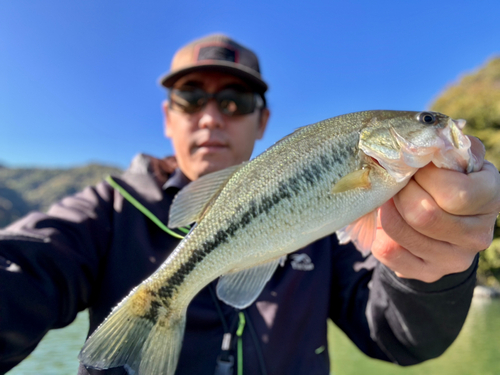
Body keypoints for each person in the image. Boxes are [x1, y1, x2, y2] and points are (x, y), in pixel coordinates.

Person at [1, 34, 499, 375]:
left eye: (235, 101)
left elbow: (399, 336)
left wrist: (434, 267)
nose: (212, 117)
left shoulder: (346, 226)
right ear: (166, 117)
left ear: (263, 121)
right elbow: (22, 268)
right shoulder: (104, 212)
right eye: (190, 98)